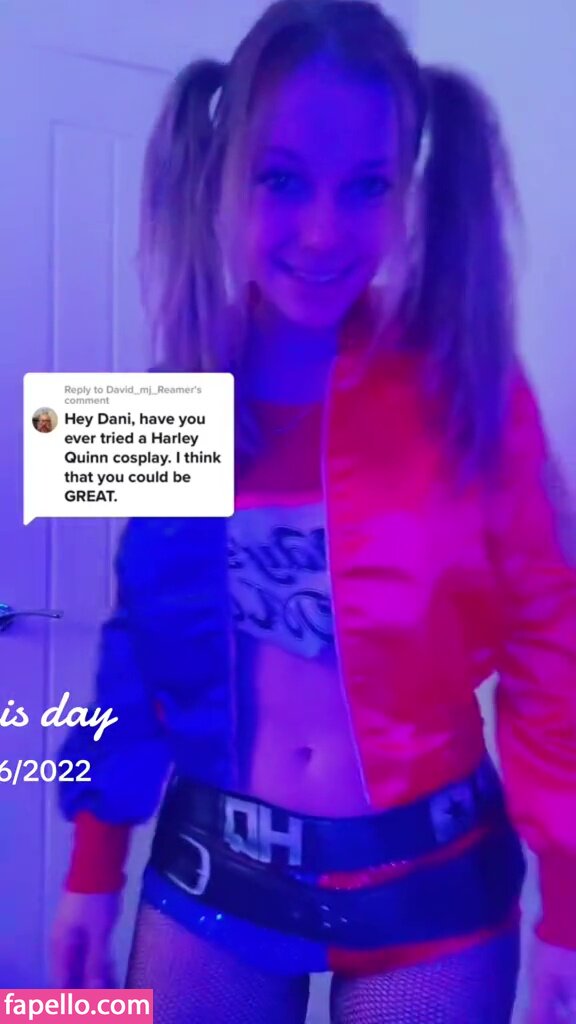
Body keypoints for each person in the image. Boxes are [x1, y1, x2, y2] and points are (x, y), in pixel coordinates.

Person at [50, 2, 576, 1022]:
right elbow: (135, 646)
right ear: (222, 175)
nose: (326, 231)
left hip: (431, 887)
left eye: (367, 185)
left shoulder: (469, 385)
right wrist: (91, 865)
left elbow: (552, 638)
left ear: (408, 190)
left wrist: (569, 906)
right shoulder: (165, 396)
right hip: (215, 875)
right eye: (281, 179)